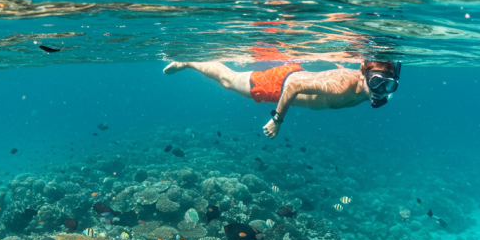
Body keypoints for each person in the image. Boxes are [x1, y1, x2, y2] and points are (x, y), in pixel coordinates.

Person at [163, 60, 400, 138]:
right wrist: (277, 119)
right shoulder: (340, 85)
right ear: (363, 75)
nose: (380, 90)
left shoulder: (374, 90)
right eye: (376, 82)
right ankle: (187, 62)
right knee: (228, 80)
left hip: (297, 78)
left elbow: (380, 90)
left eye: (388, 85)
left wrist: (382, 96)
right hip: (281, 83)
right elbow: (293, 84)